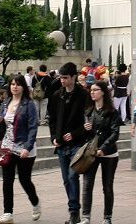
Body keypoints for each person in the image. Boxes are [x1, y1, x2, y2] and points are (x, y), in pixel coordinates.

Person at [46, 63, 90, 220]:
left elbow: (88, 122)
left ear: (73, 77)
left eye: (65, 78)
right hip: (61, 144)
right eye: (60, 78)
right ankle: (74, 211)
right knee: (66, 180)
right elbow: (52, 119)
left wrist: (75, 134)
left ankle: (74, 212)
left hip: (77, 144)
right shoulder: (57, 95)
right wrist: (54, 138)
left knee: (72, 177)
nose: (62, 81)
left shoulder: (83, 95)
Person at [0, 73, 42, 224]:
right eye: (12, 84)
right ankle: (7, 213)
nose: (14, 87)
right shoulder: (6, 102)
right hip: (7, 146)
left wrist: (27, 147)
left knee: (24, 180)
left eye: (17, 84)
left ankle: (35, 202)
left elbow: (33, 127)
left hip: (24, 147)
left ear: (23, 87)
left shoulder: (28, 104)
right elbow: (3, 126)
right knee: (7, 181)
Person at [79, 82, 121, 224]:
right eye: (91, 90)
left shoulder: (112, 112)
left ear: (103, 92)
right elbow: (85, 136)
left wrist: (103, 148)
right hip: (91, 153)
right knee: (87, 185)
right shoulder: (88, 111)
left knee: (107, 187)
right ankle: (86, 217)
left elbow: (115, 133)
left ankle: (107, 217)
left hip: (108, 154)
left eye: (95, 90)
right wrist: (85, 129)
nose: (92, 92)